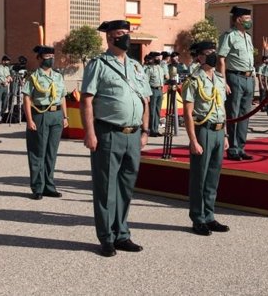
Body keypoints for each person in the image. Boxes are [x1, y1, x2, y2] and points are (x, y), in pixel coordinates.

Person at [80, 20, 151, 257]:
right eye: (121, 34)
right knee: (106, 188)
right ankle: (106, 237)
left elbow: (145, 100)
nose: (126, 38)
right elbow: (87, 100)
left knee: (125, 187)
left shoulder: (136, 66)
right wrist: (89, 132)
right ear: (109, 38)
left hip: (133, 135)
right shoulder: (98, 64)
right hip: (108, 133)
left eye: (127, 33)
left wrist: (145, 130)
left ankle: (122, 233)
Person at [182, 40, 231, 236]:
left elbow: (222, 107)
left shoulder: (219, 79)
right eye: (208, 52)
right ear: (199, 56)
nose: (212, 55)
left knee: (212, 176)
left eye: (213, 51)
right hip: (204, 130)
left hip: (219, 131)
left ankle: (209, 215)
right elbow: (188, 112)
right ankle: (198, 218)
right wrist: (193, 140)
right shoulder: (193, 81)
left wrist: (225, 133)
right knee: (199, 177)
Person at [22, 45, 68, 200]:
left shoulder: (58, 76)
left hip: (56, 116)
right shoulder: (33, 76)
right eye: (47, 57)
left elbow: (62, 97)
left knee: (51, 153)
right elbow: (26, 98)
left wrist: (65, 117)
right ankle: (37, 187)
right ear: (39, 58)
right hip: (40, 114)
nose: (50, 59)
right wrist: (29, 119)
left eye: (52, 56)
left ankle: (49, 185)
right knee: (38, 152)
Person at [217, 6, 256, 161]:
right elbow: (221, 59)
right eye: (247, 19)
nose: (249, 22)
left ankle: (241, 147)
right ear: (238, 19)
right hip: (234, 77)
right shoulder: (229, 36)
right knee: (233, 114)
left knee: (244, 115)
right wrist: (223, 81)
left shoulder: (247, 37)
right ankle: (232, 149)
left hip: (248, 78)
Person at [145, 51, 168, 137]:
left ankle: (156, 128)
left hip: (160, 90)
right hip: (152, 90)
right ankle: (151, 130)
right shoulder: (149, 69)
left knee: (158, 111)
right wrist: (147, 93)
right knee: (152, 111)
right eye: (157, 57)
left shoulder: (160, 68)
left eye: (160, 57)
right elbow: (146, 82)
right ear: (153, 58)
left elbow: (163, 79)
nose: (159, 59)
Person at [0, 55, 13, 119]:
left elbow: (8, 76)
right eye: (7, 61)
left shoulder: (7, 68)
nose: (8, 63)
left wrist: (9, 80)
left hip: (6, 86)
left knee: (5, 100)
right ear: (3, 61)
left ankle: (3, 113)